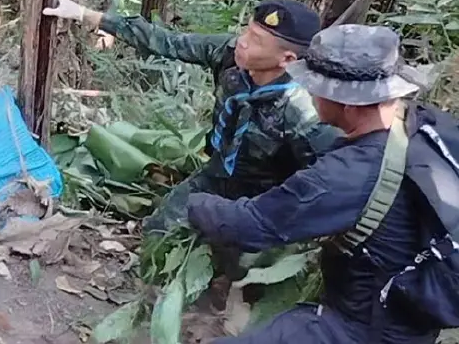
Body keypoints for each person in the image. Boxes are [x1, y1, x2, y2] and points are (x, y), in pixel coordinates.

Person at [186, 24, 458, 343]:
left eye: (316, 88)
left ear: (346, 103)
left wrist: (196, 204)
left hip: (363, 330)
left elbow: (248, 226)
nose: (310, 94)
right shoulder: (427, 124)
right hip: (410, 314)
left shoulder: (345, 175)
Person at [44, 0, 343, 236]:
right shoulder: (229, 55)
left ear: (286, 59)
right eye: (246, 31)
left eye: (256, 40)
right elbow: (166, 41)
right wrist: (82, 13)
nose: (242, 41)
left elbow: (326, 180)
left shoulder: (304, 112)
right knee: (159, 232)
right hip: (218, 175)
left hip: (265, 201)